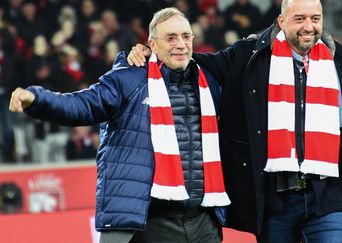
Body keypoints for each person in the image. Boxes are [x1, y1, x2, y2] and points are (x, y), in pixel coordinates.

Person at [127, 0, 342, 242]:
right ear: (281, 21)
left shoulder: (340, 62)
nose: (309, 26)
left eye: (315, 19)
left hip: (329, 197)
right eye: (299, 19)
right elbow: (196, 63)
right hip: (277, 201)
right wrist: (152, 52)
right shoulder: (249, 55)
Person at [9, 7, 230, 243]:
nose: (181, 44)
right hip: (151, 222)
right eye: (171, 37)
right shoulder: (129, 78)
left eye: (186, 36)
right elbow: (83, 105)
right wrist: (37, 99)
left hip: (203, 221)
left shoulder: (210, 82)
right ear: (152, 45)